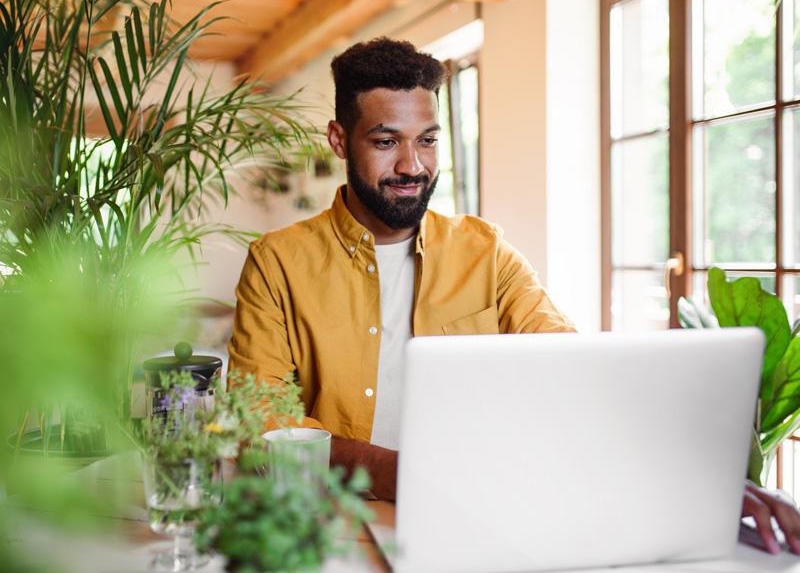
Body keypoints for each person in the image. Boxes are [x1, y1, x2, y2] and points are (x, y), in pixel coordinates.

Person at [228, 37, 800, 555]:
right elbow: (263, 428)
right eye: (386, 142)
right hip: (335, 530)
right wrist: (411, 474)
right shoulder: (277, 263)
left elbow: (572, 375)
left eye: (428, 140)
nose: (412, 165)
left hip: (487, 523)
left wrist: (707, 478)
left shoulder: (486, 251)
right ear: (338, 139)